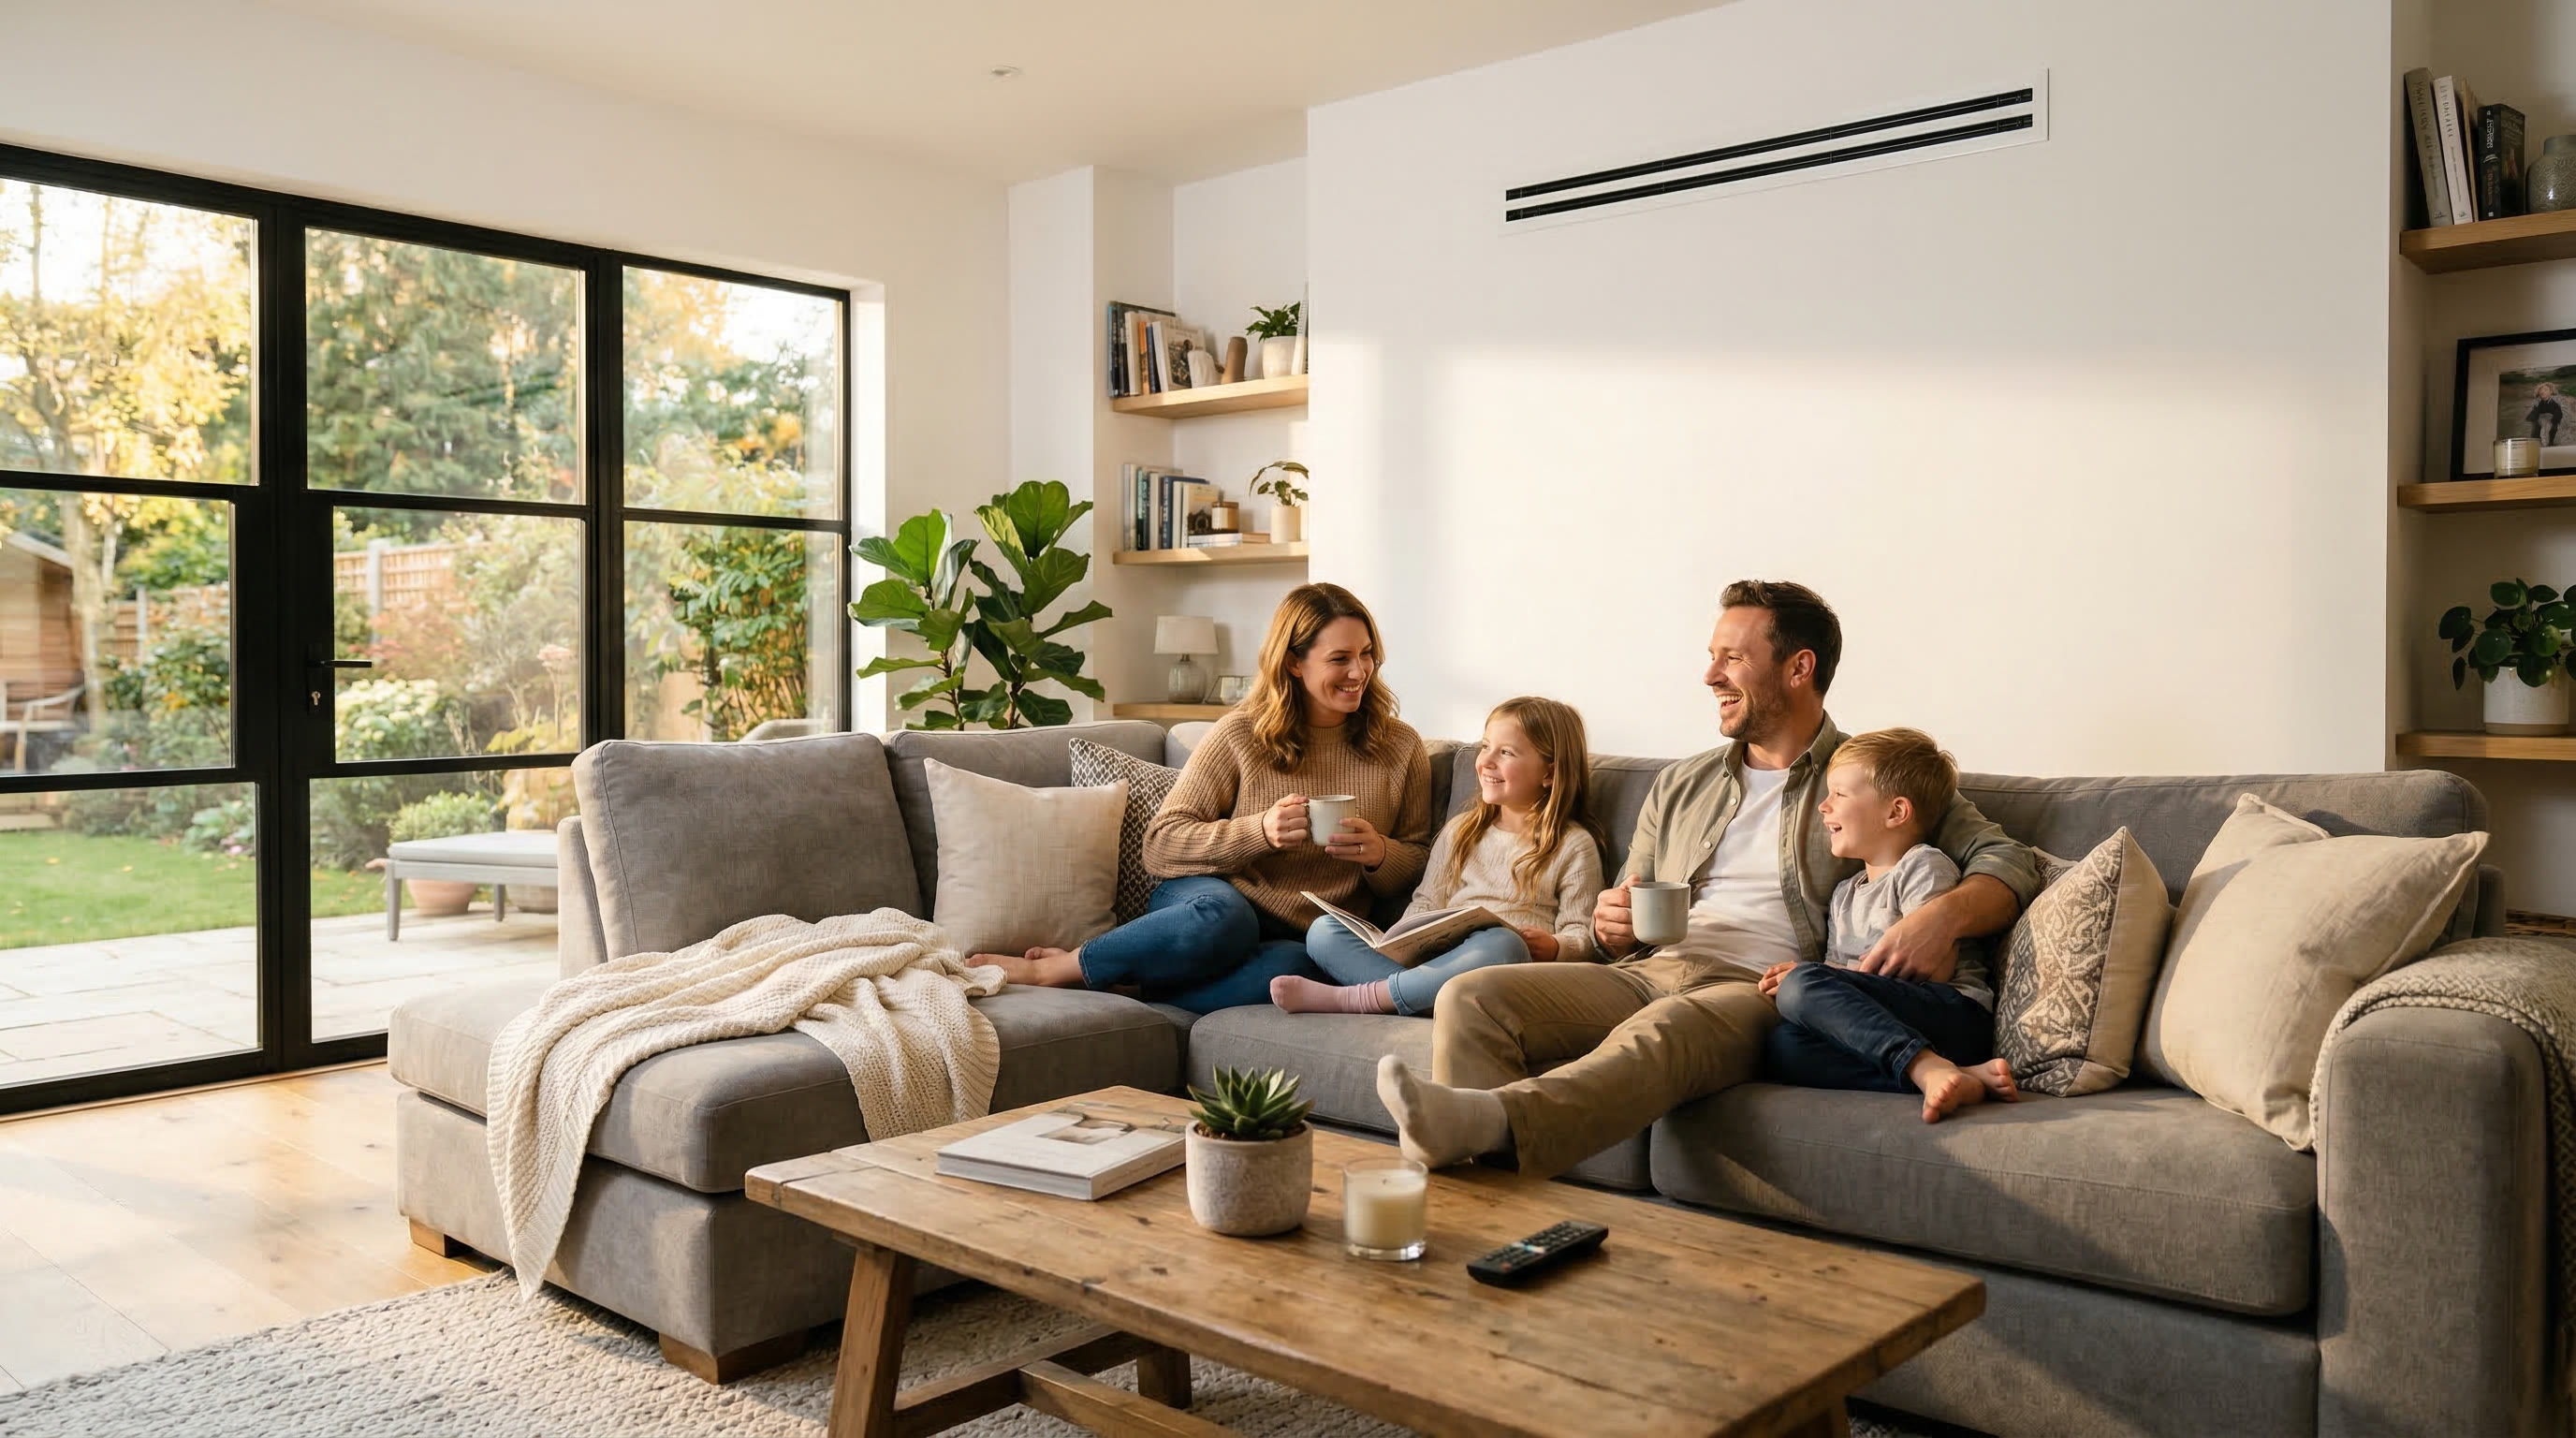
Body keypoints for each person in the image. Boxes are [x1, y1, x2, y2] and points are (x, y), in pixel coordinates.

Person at [1374, 580, 2042, 1178]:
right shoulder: (1681, 782)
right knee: (1475, 997)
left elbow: (2006, 861)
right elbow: (1623, 911)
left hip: (1756, 989)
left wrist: (1943, 917)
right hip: (1649, 968)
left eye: (1732, 658)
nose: (1709, 675)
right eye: (1711, 656)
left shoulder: (1871, 775)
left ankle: (1487, 1126)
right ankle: (1488, 1205)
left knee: (1664, 1032)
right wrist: (1612, 923)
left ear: (1799, 667)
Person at [979, 582, 1432, 1013]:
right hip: (1210, 904)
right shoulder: (1240, 735)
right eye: (1341, 658)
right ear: (1295, 662)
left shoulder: (1401, 747)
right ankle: (1053, 969)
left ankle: (1131, 984)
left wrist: (1380, 855)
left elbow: (1419, 860)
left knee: (1298, 971)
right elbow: (1161, 845)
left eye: (1367, 654)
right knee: (1227, 917)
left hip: (1298, 934)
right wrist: (1259, 832)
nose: (1360, 671)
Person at [1273, 696, 1606, 1018]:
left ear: (1549, 774)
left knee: (1503, 943)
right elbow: (1426, 902)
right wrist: (1398, 940)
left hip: (1502, 970)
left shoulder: (1573, 845)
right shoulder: (1461, 830)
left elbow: (1583, 937)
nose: (1487, 761)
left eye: (1506, 752)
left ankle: (1361, 998)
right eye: (1485, 746)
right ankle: (1424, 999)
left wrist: (1554, 946)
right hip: (1436, 961)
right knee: (1323, 931)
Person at [1756, 726, 2019, 1123]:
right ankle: (1948, 1074)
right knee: (1785, 1047)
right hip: (1894, 1026)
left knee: (1802, 985)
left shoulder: (1921, 865)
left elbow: (1937, 967)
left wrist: (1814, 981)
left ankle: (1928, 1066)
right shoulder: (1845, 893)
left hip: (1952, 1014)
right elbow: (1842, 983)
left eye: (1840, 795)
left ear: (1896, 812)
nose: (1824, 807)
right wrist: (1824, 982)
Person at [2530, 382, 2566, 448]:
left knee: (2547, 435)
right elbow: (2535, 412)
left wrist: (2554, 420)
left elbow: (2559, 413)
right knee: (2535, 434)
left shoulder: (2554, 404)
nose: (2542, 391)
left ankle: (2547, 444)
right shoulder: (2538, 403)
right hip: (2540, 423)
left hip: (2551, 423)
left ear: (2551, 392)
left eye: (2545, 390)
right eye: (2541, 390)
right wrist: (2532, 416)